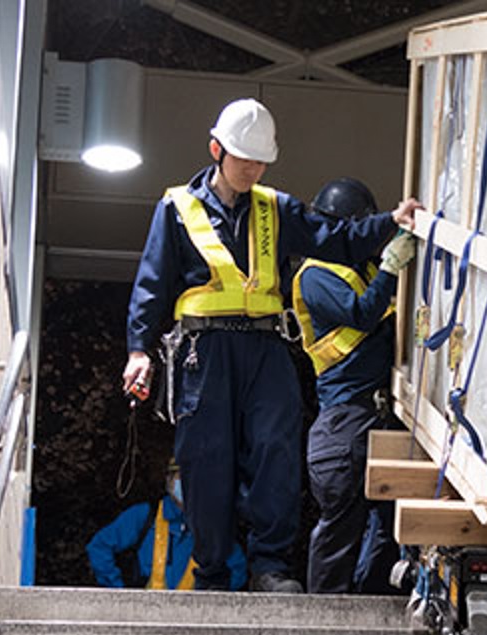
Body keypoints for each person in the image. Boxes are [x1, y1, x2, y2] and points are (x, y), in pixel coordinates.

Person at [122, 98, 420, 593]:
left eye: (261, 162)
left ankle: (270, 568)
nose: (253, 170)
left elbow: (337, 238)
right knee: (207, 460)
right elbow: (151, 284)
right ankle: (213, 571)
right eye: (245, 160)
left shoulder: (275, 209)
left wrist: (391, 221)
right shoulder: (176, 209)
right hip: (204, 353)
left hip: (265, 350)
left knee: (275, 457)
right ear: (217, 150)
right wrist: (138, 350)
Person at [293, 177, 415, 594]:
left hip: (380, 415)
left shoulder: (361, 270)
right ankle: (325, 622)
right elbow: (362, 314)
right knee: (341, 528)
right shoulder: (316, 274)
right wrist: (391, 268)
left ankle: (370, 604)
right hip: (343, 422)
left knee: (387, 524)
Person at [87, 461, 247, 590]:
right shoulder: (144, 516)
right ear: (169, 481)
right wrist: (119, 591)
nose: (187, 484)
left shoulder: (213, 525)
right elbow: (99, 546)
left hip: (194, 618)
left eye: (194, 478)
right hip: (145, 616)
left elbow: (238, 568)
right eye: (181, 476)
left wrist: (214, 599)